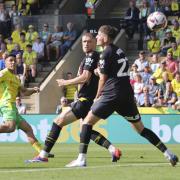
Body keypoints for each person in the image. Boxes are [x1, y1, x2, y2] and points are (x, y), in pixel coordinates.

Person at [65, 25, 178, 167]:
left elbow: (103, 79)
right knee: (140, 129)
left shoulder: (105, 53)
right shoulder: (119, 51)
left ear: (105, 38)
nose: (97, 38)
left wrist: (97, 96)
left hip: (112, 94)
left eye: (99, 35)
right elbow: (113, 70)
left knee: (86, 123)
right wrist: (99, 72)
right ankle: (169, 154)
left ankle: (81, 159)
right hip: (126, 95)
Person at [26, 32, 121, 163]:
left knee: (58, 121)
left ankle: (43, 155)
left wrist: (65, 82)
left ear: (94, 42)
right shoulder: (92, 57)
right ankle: (113, 150)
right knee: (86, 130)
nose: (86, 44)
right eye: (84, 42)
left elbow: (85, 77)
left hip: (85, 100)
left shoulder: (92, 56)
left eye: (89, 41)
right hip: (86, 100)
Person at [0, 54, 53, 157]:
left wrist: (33, 90)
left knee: (28, 129)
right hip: (6, 104)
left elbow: (24, 92)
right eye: (10, 60)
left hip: (13, 107)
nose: (13, 62)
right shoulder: (4, 73)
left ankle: (42, 153)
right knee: (10, 127)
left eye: (14, 60)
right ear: (5, 62)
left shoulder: (16, 78)